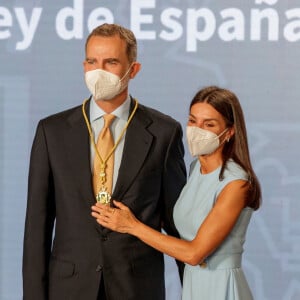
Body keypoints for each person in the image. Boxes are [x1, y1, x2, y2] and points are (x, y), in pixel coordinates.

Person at [22, 23, 186, 300]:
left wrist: (196, 290)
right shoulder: (52, 131)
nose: (98, 71)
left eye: (111, 62)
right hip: (69, 288)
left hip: (137, 288)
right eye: (91, 61)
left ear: (133, 69)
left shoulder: (163, 132)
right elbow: (36, 227)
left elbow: (177, 224)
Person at [93, 86, 262, 300]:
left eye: (209, 124)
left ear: (229, 132)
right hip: (194, 286)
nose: (197, 129)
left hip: (221, 287)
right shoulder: (194, 169)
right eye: (193, 121)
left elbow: (193, 254)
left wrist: (132, 225)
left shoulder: (236, 183)